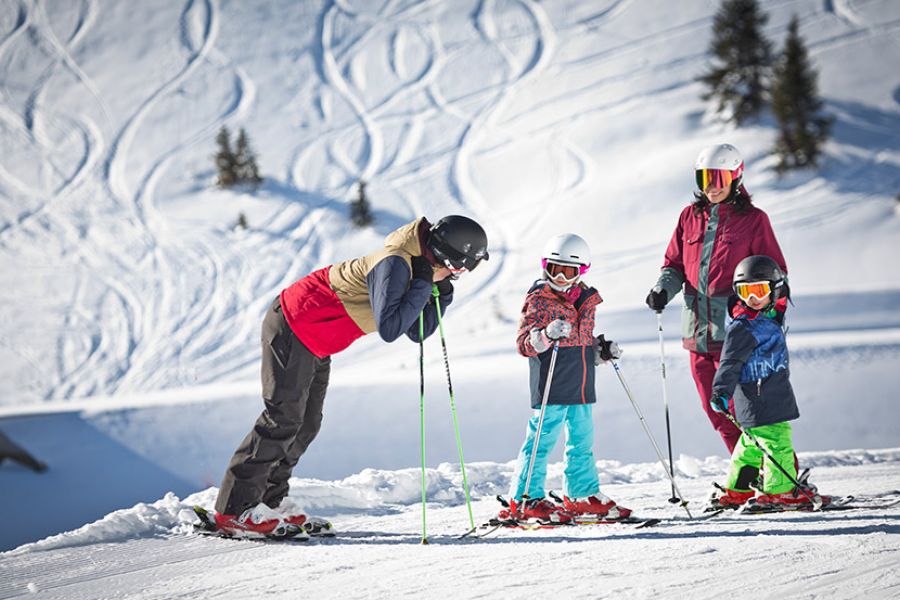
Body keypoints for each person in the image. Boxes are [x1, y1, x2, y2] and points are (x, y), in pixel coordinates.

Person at [212, 215, 489, 536]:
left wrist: (441, 292)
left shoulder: (418, 268)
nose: (460, 275)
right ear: (446, 258)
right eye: (461, 268)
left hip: (317, 339)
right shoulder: (396, 262)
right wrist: (425, 283)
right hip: (294, 322)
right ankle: (235, 509)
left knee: (306, 424)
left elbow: (416, 331)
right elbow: (389, 328)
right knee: (282, 417)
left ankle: (269, 503)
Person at [646, 143, 787, 453]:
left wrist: (769, 321)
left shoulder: (753, 220)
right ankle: (746, 479)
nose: (711, 186)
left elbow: (776, 275)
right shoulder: (689, 217)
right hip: (697, 332)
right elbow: (674, 265)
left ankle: (782, 477)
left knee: (748, 412)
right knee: (718, 414)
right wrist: (662, 290)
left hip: (736, 333)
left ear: (735, 178)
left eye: (719, 178)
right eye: (705, 178)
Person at [499, 233, 631, 524]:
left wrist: (600, 351)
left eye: (568, 271)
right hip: (551, 384)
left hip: (582, 382)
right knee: (541, 441)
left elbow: (581, 342)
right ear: (544, 266)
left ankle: (581, 494)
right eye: (554, 268)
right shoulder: (539, 299)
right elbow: (524, 343)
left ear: (581, 271)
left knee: (582, 442)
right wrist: (545, 335)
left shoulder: (587, 299)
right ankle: (526, 497)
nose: (559, 276)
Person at [707, 255, 831, 510]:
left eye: (758, 290)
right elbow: (730, 362)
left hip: (765, 393)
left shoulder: (767, 316)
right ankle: (779, 492)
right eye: (744, 292)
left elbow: (781, 303)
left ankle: (736, 490)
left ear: (773, 290)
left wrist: (780, 289)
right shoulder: (745, 326)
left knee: (750, 445)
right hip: (760, 396)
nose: (751, 298)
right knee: (777, 439)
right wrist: (720, 391)